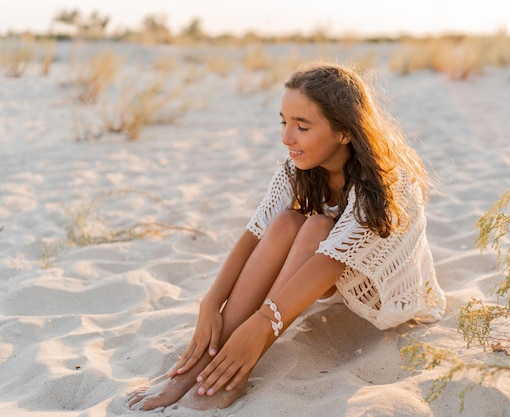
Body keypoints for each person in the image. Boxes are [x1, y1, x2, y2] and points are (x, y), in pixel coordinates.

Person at [127, 62, 446, 411]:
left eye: (302, 126)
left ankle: (233, 371)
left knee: (316, 227)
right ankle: (202, 365)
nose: (286, 137)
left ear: (345, 132)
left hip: (383, 294)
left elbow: (331, 260)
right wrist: (211, 302)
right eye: (284, 121)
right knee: (284, 222)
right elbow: (255, 232)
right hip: (323, 273)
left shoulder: (387, 185)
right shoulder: (300, 167)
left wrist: (263, 321)